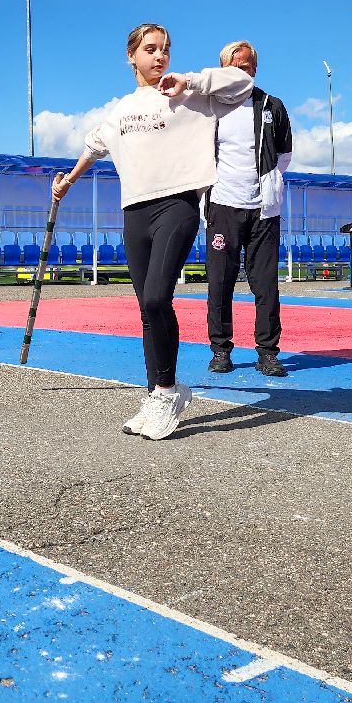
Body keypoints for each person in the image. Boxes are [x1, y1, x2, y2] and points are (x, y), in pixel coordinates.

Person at [53, 23, 252, 440]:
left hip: (176, 205)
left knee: (160, 295)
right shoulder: (121, 109)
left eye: (164, 49)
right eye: (150, 49)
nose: (159, 56)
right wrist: (68, 180)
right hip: (135, 210)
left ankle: (166, 391)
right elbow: (94, 144)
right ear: (131, 56)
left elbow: (241, 81)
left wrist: (192, 79)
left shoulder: (189, 92)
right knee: (147, 306)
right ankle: (159, 392)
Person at [204, 40, 294, 378]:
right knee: (220, 283)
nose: (246, 72)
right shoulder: (210, 107)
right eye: (239, 67)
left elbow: (284, 155)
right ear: (225, 69)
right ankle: (221, 350)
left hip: (263, 211)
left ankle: (268, 352)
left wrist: (265, 185)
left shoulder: (272, 105)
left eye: (250, 67)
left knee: (266, 284)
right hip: (223, 206)